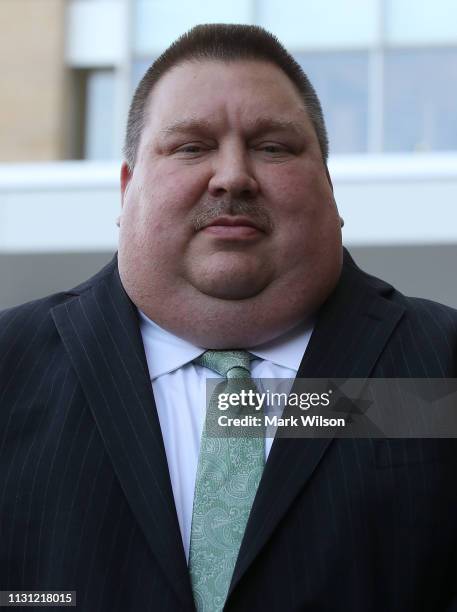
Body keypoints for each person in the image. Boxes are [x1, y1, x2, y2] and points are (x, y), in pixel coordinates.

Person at [1, 23, 456, 612]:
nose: (234, 176)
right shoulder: (9, 368)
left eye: (274, 147)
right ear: (126, 190)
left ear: (330, 187)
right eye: (191, 146)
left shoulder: (441, 365)